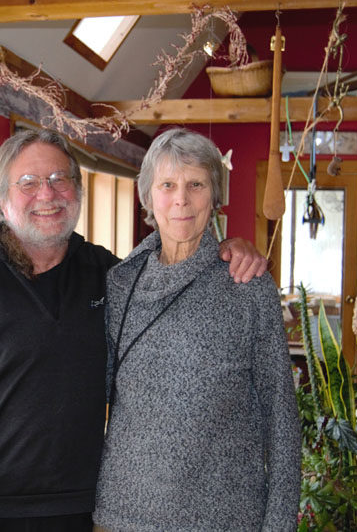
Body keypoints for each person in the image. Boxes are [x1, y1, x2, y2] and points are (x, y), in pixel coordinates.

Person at [0, 128, 268, 532]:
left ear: (78, 191)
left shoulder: (111, 277)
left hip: (86, 516)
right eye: (28, 182)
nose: (48, 194)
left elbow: (177, 294)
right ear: (0, 198)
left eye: (61, 179)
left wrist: (229, 251)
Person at [92, 128, 301, 532]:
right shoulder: (119, 285)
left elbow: (281, 420)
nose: (181, 199)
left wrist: (278, 524)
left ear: (214, 195)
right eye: (167, 184)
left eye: (196, 184)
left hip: (225, 518)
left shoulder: (248, 286)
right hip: (122, 516)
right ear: (148, 197)